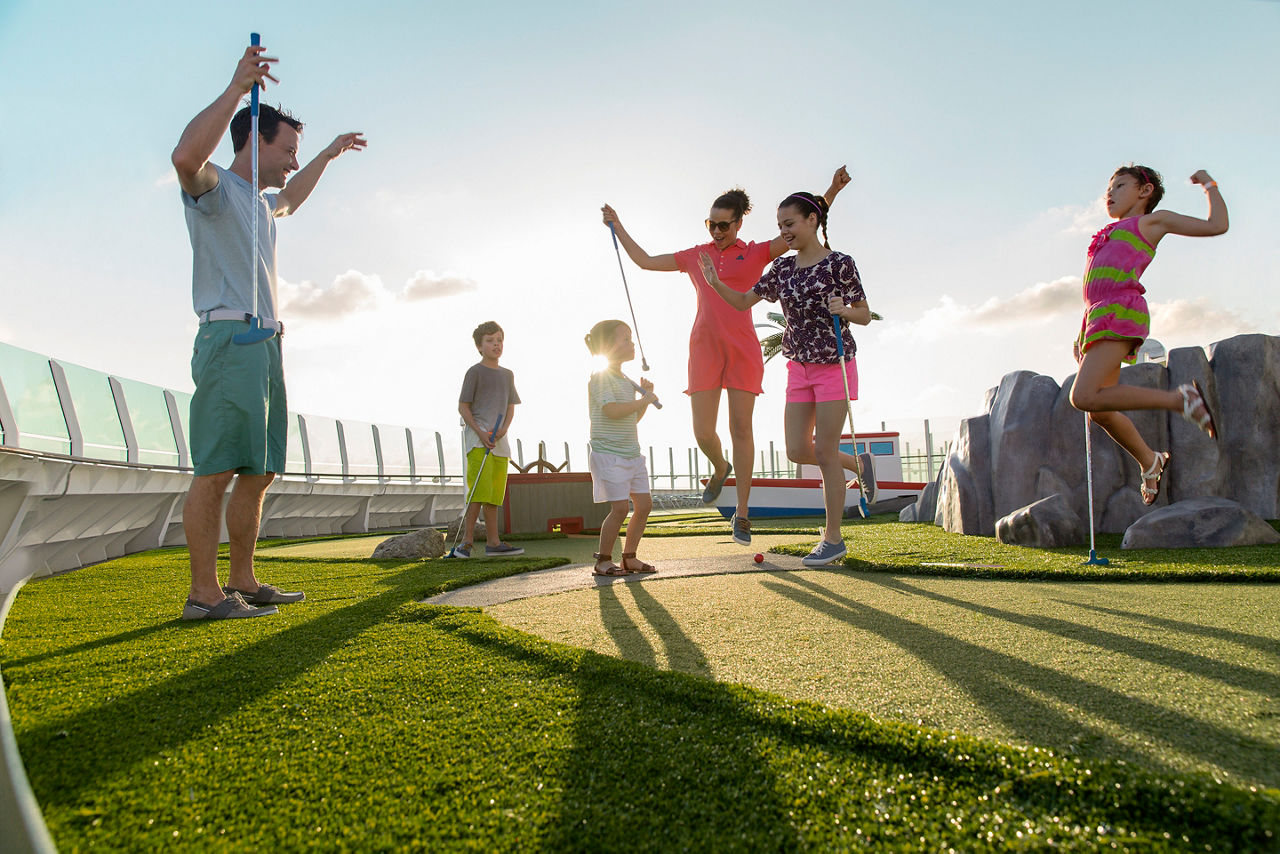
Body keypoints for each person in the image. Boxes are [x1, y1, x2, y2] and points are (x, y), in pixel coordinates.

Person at [172, 41, 366, 619]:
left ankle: (243, 580)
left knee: (259, 472)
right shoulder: (213, 189)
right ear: (254, 140)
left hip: (267, 345)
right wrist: (236, 87)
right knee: (217, 470)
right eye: (287, 150)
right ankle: (204, 596)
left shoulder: (261, 203)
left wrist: (327, 156)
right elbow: (185, 157)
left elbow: (293, 199)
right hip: (229, 342)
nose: (290, 160)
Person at [600, 166, 851, 547]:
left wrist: (832, 190)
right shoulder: (694, 255)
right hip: (703, 348)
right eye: (711, 225)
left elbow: (802, 223)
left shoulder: (755, 254)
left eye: (723, 226)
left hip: (742, 349)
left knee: (741, 430)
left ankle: (743, 514)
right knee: (703, 431)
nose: (716, 232)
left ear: (737, 225)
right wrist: (617, 226)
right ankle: (720, 466)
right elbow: (646, 261)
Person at [699, 191, 870, 567]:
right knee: (796, 449)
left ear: (812, 220)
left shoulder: (840, 264)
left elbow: (865, 314)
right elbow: (744, 302)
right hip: (798, 369)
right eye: (780, 227)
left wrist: (845, 310)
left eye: (790, 224)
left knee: (823, 452)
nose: (785, 232)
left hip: (833, 365)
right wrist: (714, 284)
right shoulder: (783, 270)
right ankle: (856, 463)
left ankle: (833, 539)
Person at [1069, 166, 1227, 504]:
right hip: (1099, 315)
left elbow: (1217, 226)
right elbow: (1094, 288)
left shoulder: (1151, 223)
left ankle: (1181, 400)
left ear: (1145, 191)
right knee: (1098, 410)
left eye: (1120, 186)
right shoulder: (1108, 232)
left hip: (1121, 311)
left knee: (1082, 397)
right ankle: (1151, 461)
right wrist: (1083, 331)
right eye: (1108, 188)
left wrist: (1209, 185)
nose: (1109, 193)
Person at [584, 320, 660, 577]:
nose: (631, 343)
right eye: (625, 339)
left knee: (645, 505)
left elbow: (631, 418)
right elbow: (612, 411)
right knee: (619, 509)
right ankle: (603, 561)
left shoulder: (626, 380)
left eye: (631, 339)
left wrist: (643, 401)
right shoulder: (601, 377)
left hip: (631, 453)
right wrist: (644, 400)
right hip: (609, 454)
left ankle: (629, 557)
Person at [452, 321, 525, 558]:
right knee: (478, 491)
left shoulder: (507, 375)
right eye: (490, 341)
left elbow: (511, 407)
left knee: (494, 493)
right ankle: (466, 542)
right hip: (477, 438)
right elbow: (463, 407)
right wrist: (481, 432)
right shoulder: (474, 372)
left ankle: (494, 543)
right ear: (479, 346)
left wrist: (503, 429)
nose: (496, 345)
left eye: (500, 340)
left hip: (499, 440)